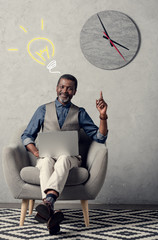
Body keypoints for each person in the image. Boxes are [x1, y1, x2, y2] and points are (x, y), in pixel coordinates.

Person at [21, 74, 108, 235]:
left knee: (64, 158)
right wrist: (35, 151)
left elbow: (100, 137)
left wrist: (102, 116)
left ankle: (47, 203)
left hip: (70, 158)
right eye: (62, 87)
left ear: (75, 91)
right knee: (46, 161)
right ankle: (51, 210)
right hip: (46, 156)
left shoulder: (80, 112)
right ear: (56, 88)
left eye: (69, 88)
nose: (64, 91)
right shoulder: (43, 109)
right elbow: (27, 136)